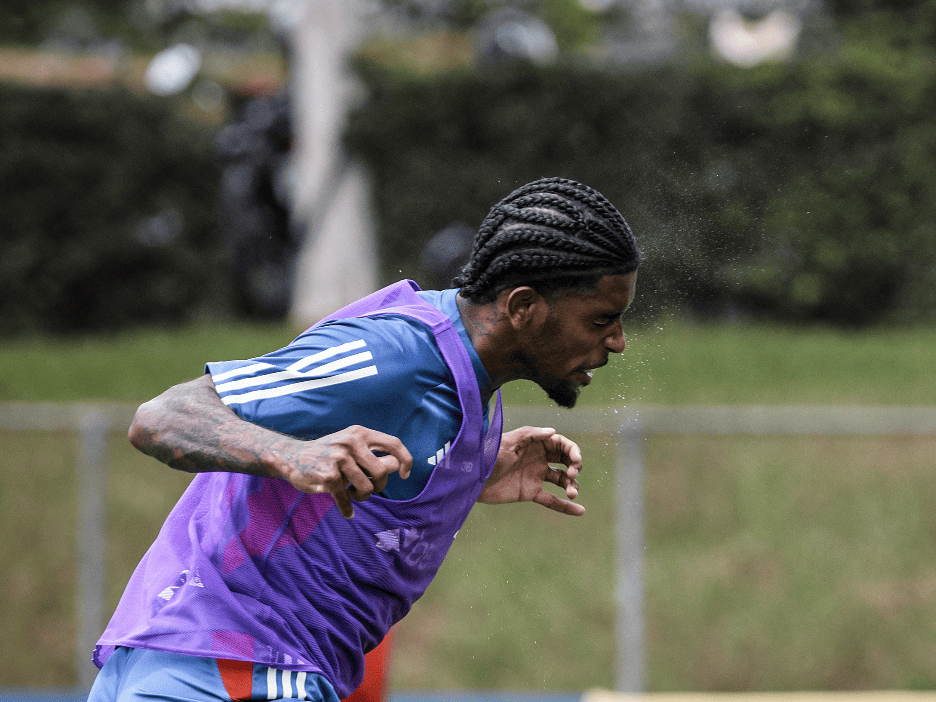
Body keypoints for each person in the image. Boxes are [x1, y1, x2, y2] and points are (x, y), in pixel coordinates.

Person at [89, 177, 641, 702]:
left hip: (216, 665)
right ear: (523, 308)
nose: (617, 341)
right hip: (230, 665)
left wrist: (469, 471)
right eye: (601, 320)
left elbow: (372, 475)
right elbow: (164, 417)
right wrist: (291, 453)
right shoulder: (396, 355)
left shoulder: (470, 385)